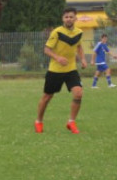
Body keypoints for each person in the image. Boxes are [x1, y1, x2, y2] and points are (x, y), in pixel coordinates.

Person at [35, 7, 87, 135]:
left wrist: (83, 59)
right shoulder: (57, 32)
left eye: (71, 17)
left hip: (71, 70)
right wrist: (57, 58)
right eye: (66, 17)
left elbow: (79, 46)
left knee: (78, 93)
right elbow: (47, 49)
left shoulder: (79, 32)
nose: (68, 19)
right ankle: (39, 121)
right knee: (47, 97)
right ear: (63, 19)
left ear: (75, 18)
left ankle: (71, 122)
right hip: (55, 71)